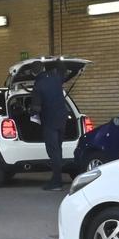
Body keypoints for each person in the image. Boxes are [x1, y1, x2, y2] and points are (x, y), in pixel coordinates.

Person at [31, 60, 69, 191]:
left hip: (50, 122)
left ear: (33, 72)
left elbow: (36, 108)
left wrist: (31, 113)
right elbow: (63, 69)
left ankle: (57, 182)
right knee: (58, 149)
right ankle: (57, 178)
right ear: (43, 68)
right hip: (62, 120)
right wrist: (57, 61)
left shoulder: (38, 85)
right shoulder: (56, 78)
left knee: (53, 151)